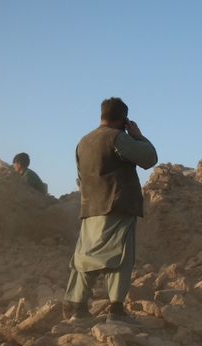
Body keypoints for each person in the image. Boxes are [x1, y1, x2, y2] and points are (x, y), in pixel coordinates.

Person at [65, 97, 158, 326]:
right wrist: (137, 136)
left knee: (85, 256)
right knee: (120, 257)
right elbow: (149, 158)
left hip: (90, 208)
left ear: (101, 115)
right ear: (123, 118)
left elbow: (80, 175)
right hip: (117, 206)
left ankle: (78, 309)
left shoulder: (83, 142)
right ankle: (116, 310)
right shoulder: (118, 138)